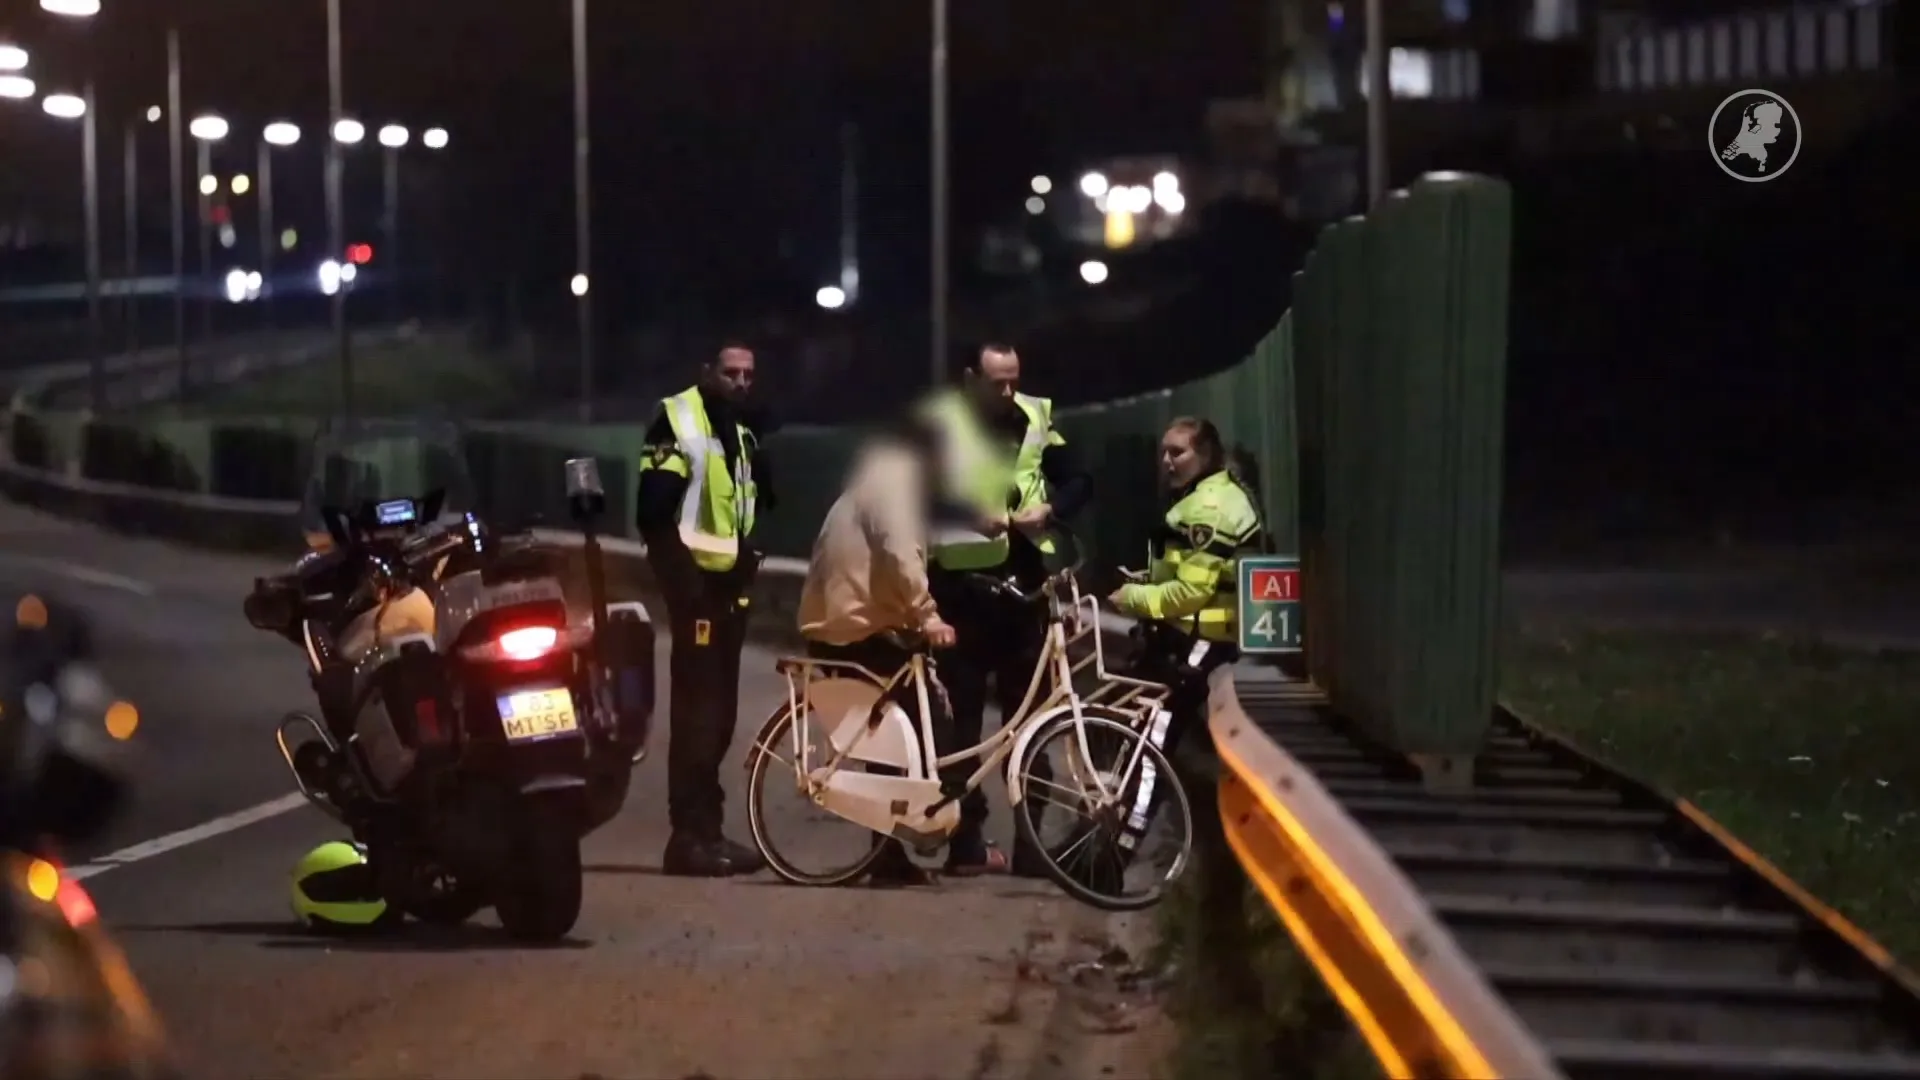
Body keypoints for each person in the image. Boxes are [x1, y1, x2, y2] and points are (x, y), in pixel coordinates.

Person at [918, 342, 1092, 876]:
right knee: (962, 727)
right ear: (971, 379)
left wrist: (1052, 508)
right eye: (997, 382)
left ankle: (1031, 845)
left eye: (1014, 379)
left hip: (1024, 592)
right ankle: (964, 841)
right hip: (962, 593)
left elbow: (1080, 479)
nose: (1008, 392)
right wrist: (972, 512)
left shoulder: (1036, 415)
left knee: (1031, 722)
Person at [797, 419, 961, 886]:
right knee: (909, 730)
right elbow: (899, 552)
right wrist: (927, 616)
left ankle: (892, 849)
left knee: (898, 734)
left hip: (845, 622)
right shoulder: (895, 488)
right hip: (854, 628)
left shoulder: (875, 481)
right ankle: (894, 849)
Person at [636, 341, 774, 878]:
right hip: (696, 593)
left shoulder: (737, 431)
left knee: (719, 719)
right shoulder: (680, 420)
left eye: (748, 374)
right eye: (730, 372)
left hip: (727, 593)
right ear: (706, 372)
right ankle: (687, 838)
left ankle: (709, 830)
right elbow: (653, 514)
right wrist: (686, 587)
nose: (740, 382)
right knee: (696, 717)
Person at [1107, 416, 1265, 759]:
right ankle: (1122, 805)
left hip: (1201, 638)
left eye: (1177, 453)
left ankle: (1129, 813)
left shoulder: (1210, 508)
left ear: (1206, 453)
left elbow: (1192, 593)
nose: (1166, 462)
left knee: (1154, 736)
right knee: (1142, 722)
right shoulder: (1202, 496)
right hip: (1189, 632)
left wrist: (1134, 597)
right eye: (1163, 453)